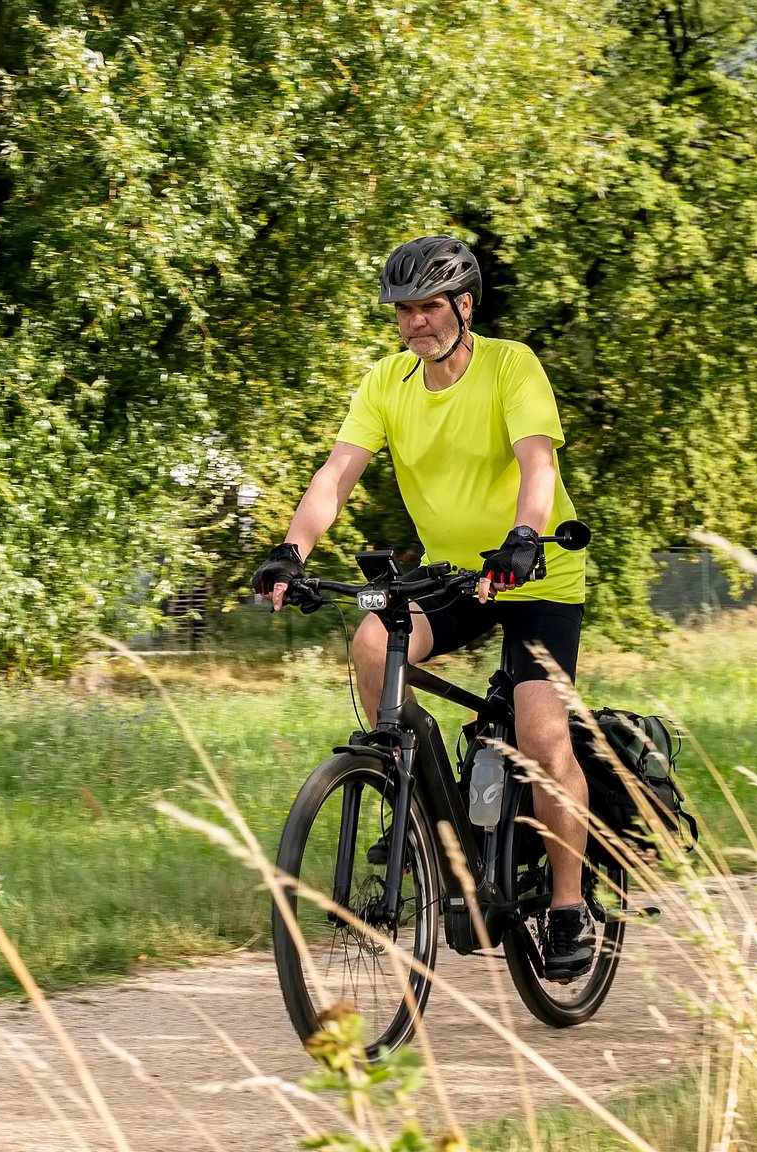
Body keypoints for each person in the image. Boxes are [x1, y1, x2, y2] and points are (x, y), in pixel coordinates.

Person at [250, 235, 597, 978]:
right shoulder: (386, 383)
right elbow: (337, 475)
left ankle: (568, 907)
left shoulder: (512, 366)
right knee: (371, 645)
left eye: (429, 308)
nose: (415, 324)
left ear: (464, 306)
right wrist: (292, 552)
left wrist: (524, 538)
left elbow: (538, 462)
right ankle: (416, 798)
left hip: (535, 574)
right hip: (458, 577)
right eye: (404, 312)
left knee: (541, 733)